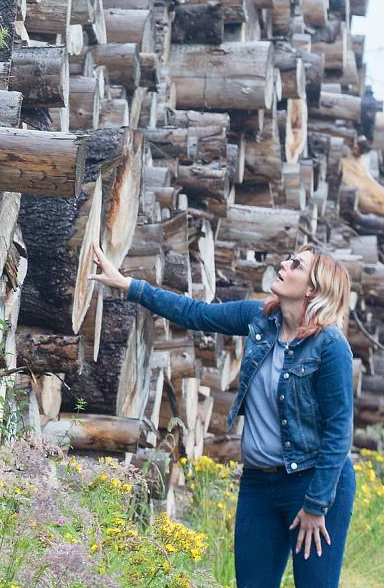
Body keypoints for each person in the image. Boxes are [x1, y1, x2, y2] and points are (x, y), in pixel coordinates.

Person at [88, 242, 356, 588]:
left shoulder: (330, 347)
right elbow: (196, 313)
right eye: (288, 258)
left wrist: (318, 504)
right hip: (259, 483)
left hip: (314, 484)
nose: (284, 264)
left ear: (312, 289)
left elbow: (339, 430)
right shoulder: (261, 319)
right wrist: (130, 286)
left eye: (296, 264)